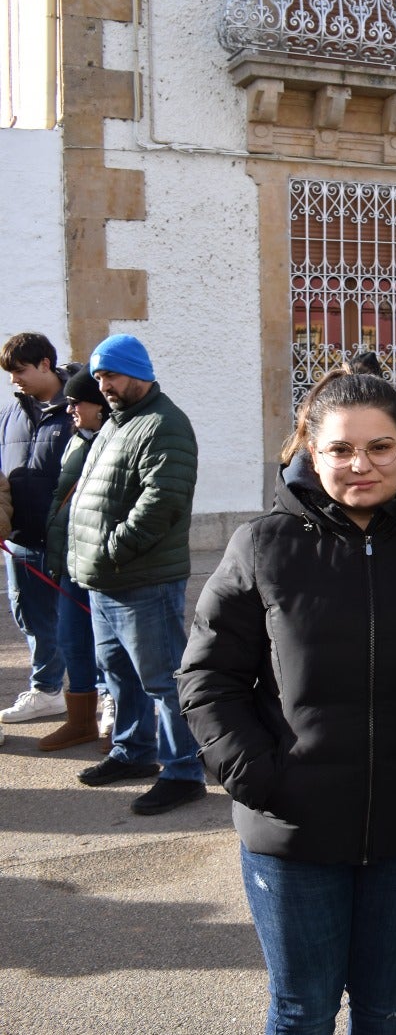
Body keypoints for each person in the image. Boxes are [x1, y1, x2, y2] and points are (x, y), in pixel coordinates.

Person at [179, 369, 396, 1035]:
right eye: (340, 449)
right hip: (292, 831)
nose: (360, 465)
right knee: (303, 1008)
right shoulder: (264, 546)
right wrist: (257, 778)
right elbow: (207, 677)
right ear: (310, 448)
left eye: (380, 447)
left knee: (389, 1007)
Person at [69, 333, 206, 816]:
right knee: (118, 673)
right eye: (99, 375)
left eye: (111, 374)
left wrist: (111, 549)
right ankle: (133, 752)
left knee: (163, 680)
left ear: (138, 373)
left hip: (141, 578)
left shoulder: (164, 424)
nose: (102, 384)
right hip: (108, 579)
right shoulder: (117, 423)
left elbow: (161, 501)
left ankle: (184, 771)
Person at [0, 332, 73, 725]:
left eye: (20, 371)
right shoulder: (10, 416)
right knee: (32, 619)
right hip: (22, 541)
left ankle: (101, 695)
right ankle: (47, 692)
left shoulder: (80, 409)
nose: (14, 380)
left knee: (83, 623)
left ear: (46, 363)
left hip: (68, 542)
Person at [37, 367, 110, 752]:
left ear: (98, 406)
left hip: (101, 564)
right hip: (69, 561)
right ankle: (80, 723)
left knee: (109, 651)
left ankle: (118, 723)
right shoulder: (76, 441)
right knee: (72, 642)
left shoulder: (114, 441)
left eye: (76, 402)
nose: (70, 409)